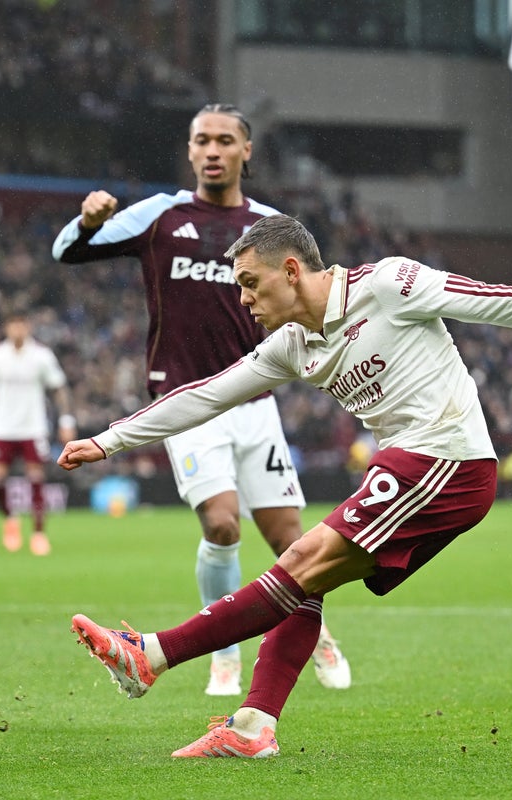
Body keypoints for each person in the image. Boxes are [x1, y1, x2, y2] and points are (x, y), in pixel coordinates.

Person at [57, 213, 512, 759]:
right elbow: (207, 393)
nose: (242, 300)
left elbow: (493, 302)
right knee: (305, 580)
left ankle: (152, 655)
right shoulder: (294, 344)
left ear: (291, 271)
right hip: (408, 467)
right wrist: (110, 440)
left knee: (300, 559)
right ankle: (252, 727)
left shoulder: (390, 284)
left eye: (249, 283)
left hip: (448, 459)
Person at [51, 103, 349, 696]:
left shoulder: (269, 226)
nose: (212, 150)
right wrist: (86, 222)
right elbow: (68, 252)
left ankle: (316, 632)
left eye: (224, 140)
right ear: (189, 151)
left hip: (254, 399)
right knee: (220, 526)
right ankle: (225, 652)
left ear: (246, 152)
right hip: (185, 403)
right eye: (202, 140)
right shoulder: (160, 215)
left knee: (289, 538)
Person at [0, 310, 75, 556]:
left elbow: (59, 389)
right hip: (3, 427)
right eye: (12, 325)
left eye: (21, 325)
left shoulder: (42, 355)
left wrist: (66, 420)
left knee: (36, 478)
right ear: (6, 328)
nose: (17, 330)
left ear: (27, 327)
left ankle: (39, 533)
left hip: (33, 426)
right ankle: (10, 519)